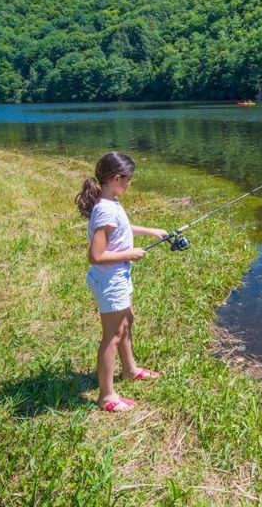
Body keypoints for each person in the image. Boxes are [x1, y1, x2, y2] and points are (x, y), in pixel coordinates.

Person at [75, 151, 168, 412]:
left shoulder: (110, 201)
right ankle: (106, 397)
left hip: (118, 277)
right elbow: (95, 256)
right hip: (110, 280)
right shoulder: (104, 209)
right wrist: (130, 254)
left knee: (127, 322)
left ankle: (130, 370)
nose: (130, 184)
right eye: (128, 179)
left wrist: (150, 231)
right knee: (112, 336)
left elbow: (123, 227)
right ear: (116, 179)